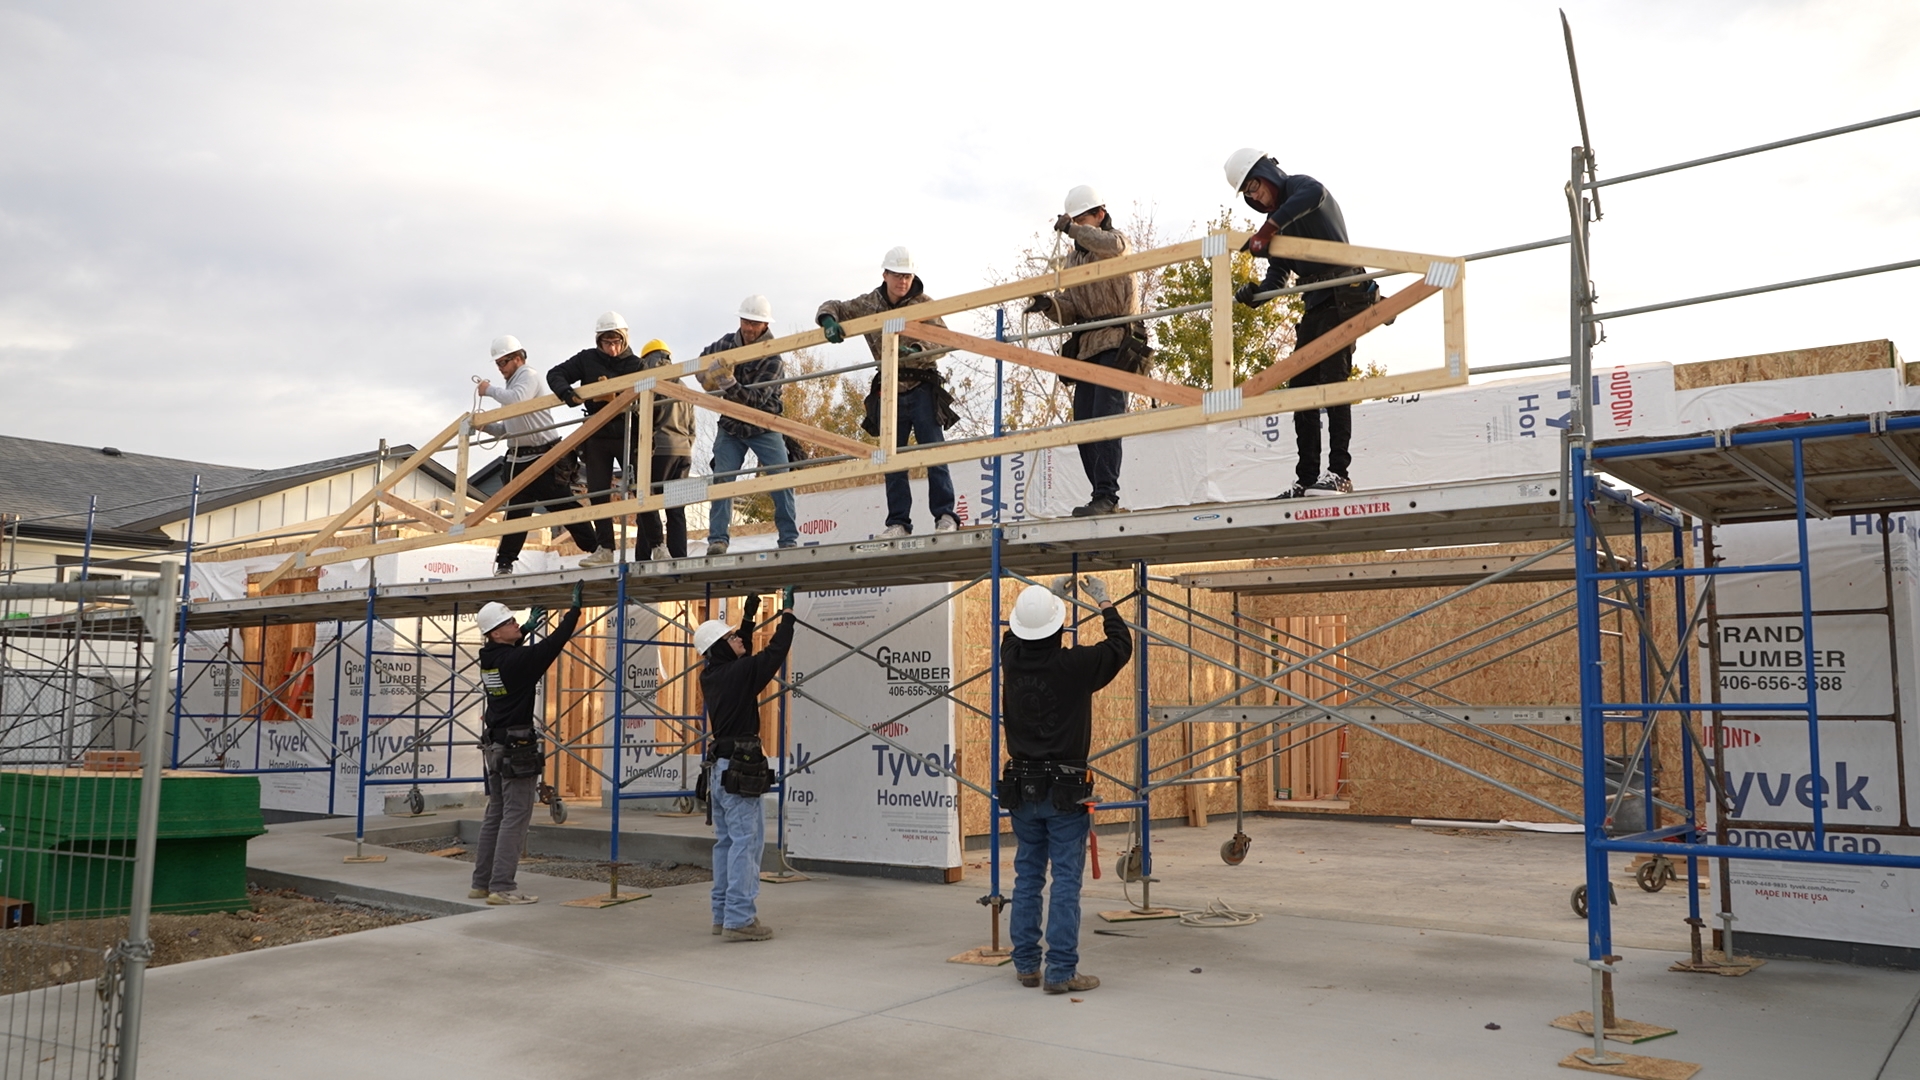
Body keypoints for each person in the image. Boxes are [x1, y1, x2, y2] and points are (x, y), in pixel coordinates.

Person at [999, 575, 1132, 994]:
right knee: (1066, 881)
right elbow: (1120, 646)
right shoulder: (1075, 666)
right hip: (1065, 792)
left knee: (1027, 878)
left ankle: (1025, 966)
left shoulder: (1011, 660)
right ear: (1059, 628)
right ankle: (1060, 971)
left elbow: (1012, 636)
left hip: (1022, 789)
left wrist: (1049, 598)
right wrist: (1104, 602)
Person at [1224, 148, 1380, 499]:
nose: (1254, 195)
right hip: (1315, 304)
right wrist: (1257, 294)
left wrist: (1269, 227)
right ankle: (1307, 478)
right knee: (1301, 390)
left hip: (1343, 291)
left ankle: (1339, 473)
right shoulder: (1277, 224)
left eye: (1254, 185)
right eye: (1247, 193)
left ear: (1267, 173)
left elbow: (1315, 195)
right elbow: (1278, 276)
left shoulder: (1301, 189)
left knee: (1334, 383)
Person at [815, 247, 960, 538]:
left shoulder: (923, 304)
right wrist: (827, 321)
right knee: (891, 460)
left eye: (907, 276)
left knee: (933, 452)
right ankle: (898, 523)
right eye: (897, 275)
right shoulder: (870, 304)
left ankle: (945, 515)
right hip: (889, 390)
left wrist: (918, 349)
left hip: (921, 385)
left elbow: (946, 342)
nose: (902, 281)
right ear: (885, 275)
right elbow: (833, 306)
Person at [1023, 186, 1145, 517]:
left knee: (1106, 417)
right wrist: (1048, 304)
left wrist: (1073, 229)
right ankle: (1099, 495)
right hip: (1088, 343)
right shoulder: (1073, 260)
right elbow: (1072, 308)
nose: (1076, 227)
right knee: (1083, 424)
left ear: (1100, 216)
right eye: (1073, 221)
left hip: (1117, 339)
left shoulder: (1115, 242)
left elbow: (1112, 246)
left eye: (1082, 219)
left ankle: (1108, 494)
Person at [692, 589, 796, 941]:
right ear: (720, 646)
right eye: (732, 637)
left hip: (722, 770)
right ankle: (740, 919)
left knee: (727, 843)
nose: (739, 639)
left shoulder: (715, 674)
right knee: (746, 844)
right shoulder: (736, 675)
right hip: (738, 772)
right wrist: (788, 615)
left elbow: (742, 659)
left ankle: (722, 914)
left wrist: (749, 620)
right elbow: (773, 654)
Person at [470, 588, 581, 905]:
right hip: (515, 747)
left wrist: (526, 628)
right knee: (516, 816)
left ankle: (481, 883)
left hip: (494, 744)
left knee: (497, 814)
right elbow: (551, 646)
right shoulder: (516, 662)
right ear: (494, 632)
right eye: (509, 622)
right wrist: (573, 612)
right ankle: (502, 886)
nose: (516, 623)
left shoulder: (489, 657)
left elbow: (512, 649)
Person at [474, 335, 601, 575]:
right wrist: (485, 427)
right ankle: (505, 562)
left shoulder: (527, 376)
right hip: (519, 459)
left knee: (562, 504)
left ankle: (595, 548)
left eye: (503, 362)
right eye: (498, 364)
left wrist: (488, 390)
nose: (501, 368)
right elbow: (507, 429)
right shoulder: (512, 386)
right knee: (517, 513)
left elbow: (517, 400)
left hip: (543, 457)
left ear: (518, 358)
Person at [698, 296, 799, 555]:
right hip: (731, 425)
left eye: (754, 324)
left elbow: (755, 401)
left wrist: (728, 383)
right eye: (745, 321)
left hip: (763, 423)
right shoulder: (726, 343)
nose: (749, 328)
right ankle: (718, 539)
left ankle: (788, 538)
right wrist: (706, 373)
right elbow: (702, 360)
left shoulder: (773, 357)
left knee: (780, 480)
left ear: (765, 325)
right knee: (722, 480)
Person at [547, 311, 645, 567]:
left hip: (628, 432)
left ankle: (654, 545)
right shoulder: (587, 359)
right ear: (598, 341)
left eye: (616, 343)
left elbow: (650, 400)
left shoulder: (636, 365)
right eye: (606, 343)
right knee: (598, 492)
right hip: (597, 435)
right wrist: (567, 393)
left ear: (624, 340)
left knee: (643, 490)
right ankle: (605, 549)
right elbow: (555, 374)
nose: (611, 349)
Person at [635, 338, 695, 560]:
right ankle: (679, 557)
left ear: (647, 359)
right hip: (683, 452)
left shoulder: (652, 381)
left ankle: (643, 557)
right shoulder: (683, 385)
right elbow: (692, 428)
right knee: (676, 509)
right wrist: (685, 445)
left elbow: (647, 419)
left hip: (659, 449)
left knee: (647, 502)